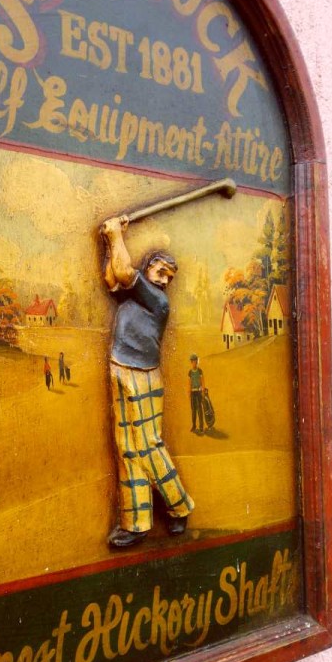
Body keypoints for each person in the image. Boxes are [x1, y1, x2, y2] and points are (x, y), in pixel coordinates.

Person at [100, 215, 195, 548]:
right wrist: (111, 240)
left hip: (143, 375)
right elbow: (113, 276)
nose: (165, 280)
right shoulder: (135, 294)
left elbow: (124, 271)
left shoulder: (157, 300)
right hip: (120, 368)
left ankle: (179, 504)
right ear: (149, 267)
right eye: (160, 272)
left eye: (169, 277)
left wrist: (116, 236)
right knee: (127, 448)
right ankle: (136, 522)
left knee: (147, 444)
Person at [188, 353, 206, 433]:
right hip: (193, 393)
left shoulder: (200, 371)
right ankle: (194, 426)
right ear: (191, 362)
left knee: (199, 410)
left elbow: (202, 381)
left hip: (199, 393)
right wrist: (189, 393)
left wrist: (203, 391)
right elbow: (189, 383)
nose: (194, 363)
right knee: (193, 410)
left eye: (195, 361)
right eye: (193, 361)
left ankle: (201, 427)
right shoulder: (190, 372)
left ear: (197, 362)